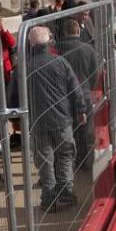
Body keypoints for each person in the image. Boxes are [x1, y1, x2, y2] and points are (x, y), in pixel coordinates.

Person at [27, 26, 87, 211]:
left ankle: (49, 199)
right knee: (66, 156)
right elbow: (75, 88)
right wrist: (81, 109)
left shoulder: (25, 67)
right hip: (62, 119)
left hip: (38, 121)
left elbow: (14, 95)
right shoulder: (60, 62)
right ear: (50, 40)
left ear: (30, 43)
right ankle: (66, 194)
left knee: (45, 160)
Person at [57, 19, 99, 165]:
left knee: (66, 130)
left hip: (62, 96)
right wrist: (89, 88)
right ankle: (84, 162)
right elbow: (95, 73)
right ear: (78, 31)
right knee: (84, 130)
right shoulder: (88, 49)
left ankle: (67, 162)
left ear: (64, 32)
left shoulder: (56, 50)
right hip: (85, 92)